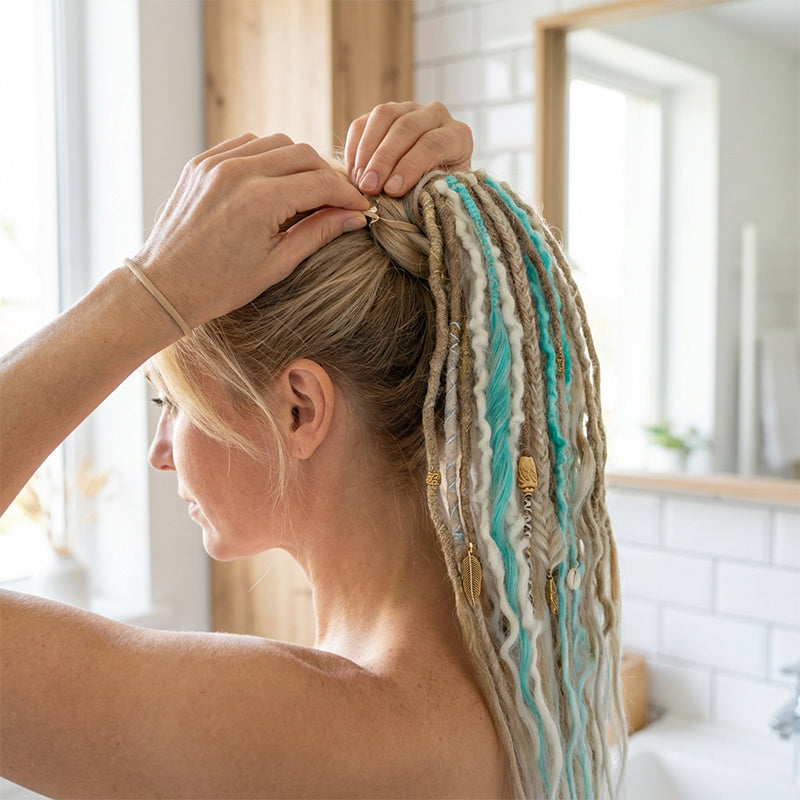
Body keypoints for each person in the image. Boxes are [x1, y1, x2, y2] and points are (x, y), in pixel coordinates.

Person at [0, 101, 624, 799]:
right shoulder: (506, 675)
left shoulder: (331, 730)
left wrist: (155, 286)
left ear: (300, 409)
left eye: (170, 403)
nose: (161, 452)